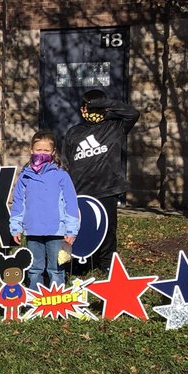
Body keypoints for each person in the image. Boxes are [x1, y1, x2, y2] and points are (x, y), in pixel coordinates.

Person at [62, 89, 141, 273]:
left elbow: (133, 113)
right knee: (80, 228)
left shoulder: (115, 126)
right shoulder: (74, 132)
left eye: (99, 108)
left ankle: (107, 263)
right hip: (80, 190)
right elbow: (66, 162)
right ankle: (79, 261)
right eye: (90, 108)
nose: (94, 112)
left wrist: (105, 104)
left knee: (108, 230)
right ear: (82, 110)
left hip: (107, 189)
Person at [9, 130, 80, 293]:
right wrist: (16, 226)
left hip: (56, 231)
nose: (42, 153)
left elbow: (71, 204)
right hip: (33, 230)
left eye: (46, 150)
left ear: (53, 152)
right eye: (38, 150)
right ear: (31, 150)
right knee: (34, 269)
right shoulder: (24, 176)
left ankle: (56, 303)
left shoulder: (61, 175)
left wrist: (71, 230)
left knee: (55, 270)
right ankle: (34, 301)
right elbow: (18, 202)